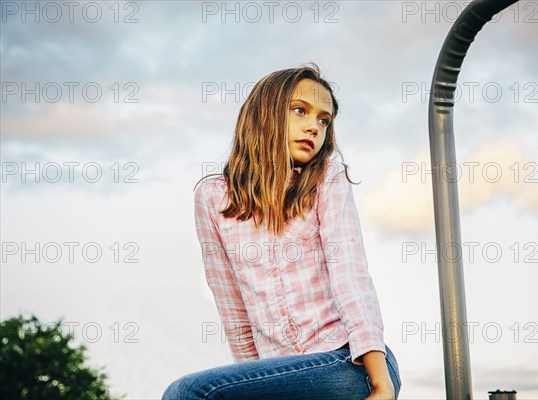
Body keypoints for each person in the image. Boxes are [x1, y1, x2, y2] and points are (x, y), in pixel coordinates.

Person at [162, 63, 401, 400]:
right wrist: (252, 382)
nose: (314, 128)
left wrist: (382, 385)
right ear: (265, 115)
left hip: (349, 362)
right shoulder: (213, 197)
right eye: (300, 111)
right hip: (284, 373)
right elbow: (234, 310)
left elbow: (350, 274)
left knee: (187, 393)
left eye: (323, 120)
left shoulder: (327, 179)